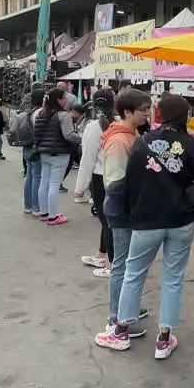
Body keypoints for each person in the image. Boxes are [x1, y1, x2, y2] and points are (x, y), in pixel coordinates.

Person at [96, 94, 194, 357]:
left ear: (160, 114)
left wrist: (132, 213)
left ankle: (120, 331)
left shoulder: (143, 143)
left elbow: (130, 184)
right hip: (181, 221)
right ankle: (164, 338)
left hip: (147, 221)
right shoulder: (192, 145)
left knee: (133, 273)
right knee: (173, 279)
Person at [99, 89, 153, 334]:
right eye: (142, 110)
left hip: (129, 209)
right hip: (123, 211)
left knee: (131, 264)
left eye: (147, 108)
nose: (147, 114)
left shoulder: (131, 135)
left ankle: (127, 307)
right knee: (122, 265)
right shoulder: (121, 140)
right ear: (127, 112)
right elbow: (115, 183)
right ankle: (116, 317)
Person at [76, 89, 116, 275]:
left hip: (100, 178)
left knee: (107, 221)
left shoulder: (94, 126)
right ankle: (101, 255)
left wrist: (80, 187)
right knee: (107, 219)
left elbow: (88, 158)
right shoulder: (116, 122)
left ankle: (113, 264)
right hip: (115, 176)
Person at [31, 87, 80, 225]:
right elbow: (69, 135)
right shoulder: (63, 115)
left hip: (44, 153)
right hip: (59, 153)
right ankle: (53, 216)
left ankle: (44, 213)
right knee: (54, 184)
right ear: (58, 99)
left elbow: (37, 133)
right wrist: (82, 138)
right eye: (64, 97)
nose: (66, 100)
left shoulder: (41, 113)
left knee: (44, 182)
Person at [9, 89, 44, 216]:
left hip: (27, 146)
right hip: (36, 147)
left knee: (29, 175)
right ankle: (36, 207)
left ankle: (28, 205)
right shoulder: (40, 113)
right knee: (37, 176)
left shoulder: (26, 113)